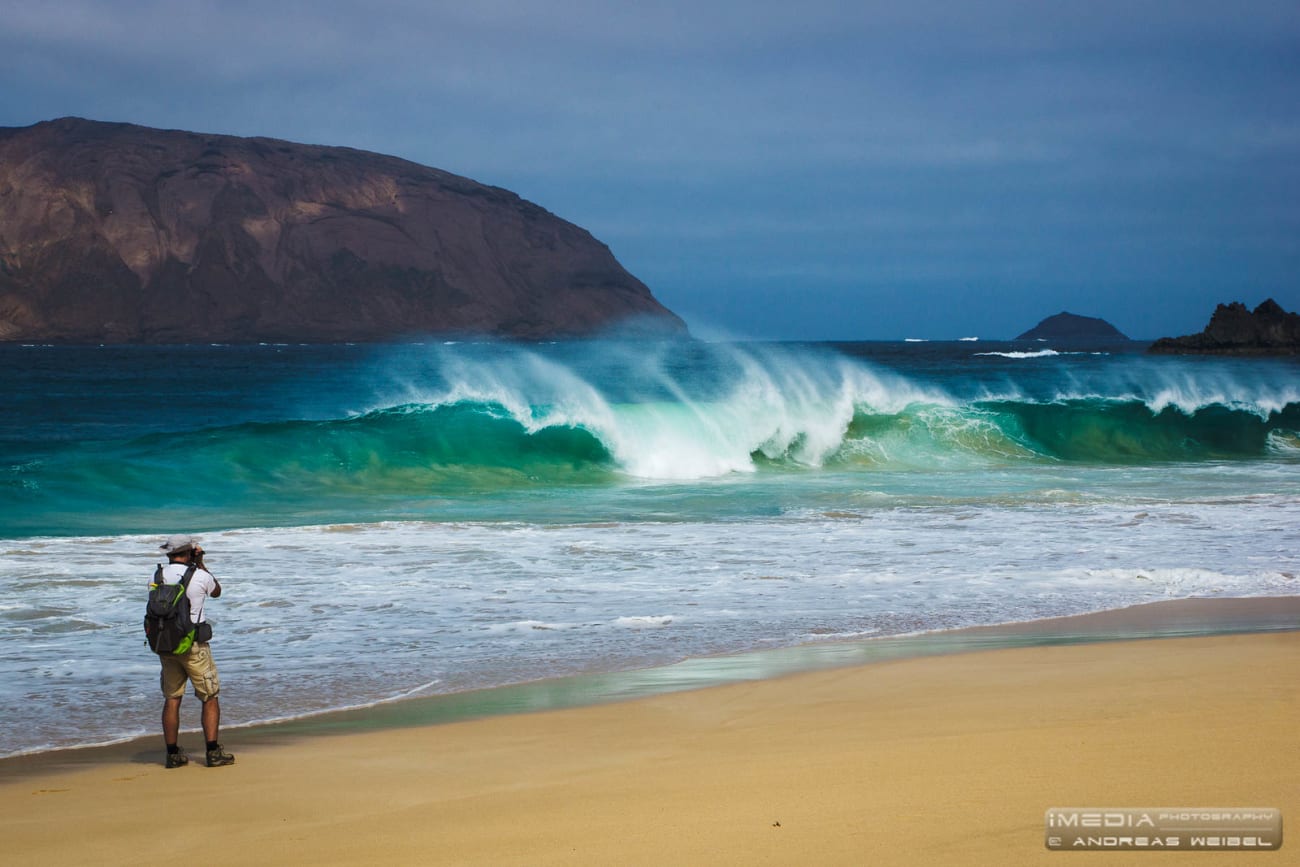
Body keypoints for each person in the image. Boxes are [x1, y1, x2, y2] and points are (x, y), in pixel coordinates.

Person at [154, 534, 235, 768]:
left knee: (172, 698)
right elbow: (217, 591)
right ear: (189, 552)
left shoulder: (157, 575)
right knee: (209, 697)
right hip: (194, 645)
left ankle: (172, 754)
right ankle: (212, 752)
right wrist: (200, 563)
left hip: (166, 644)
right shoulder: (199, 576)